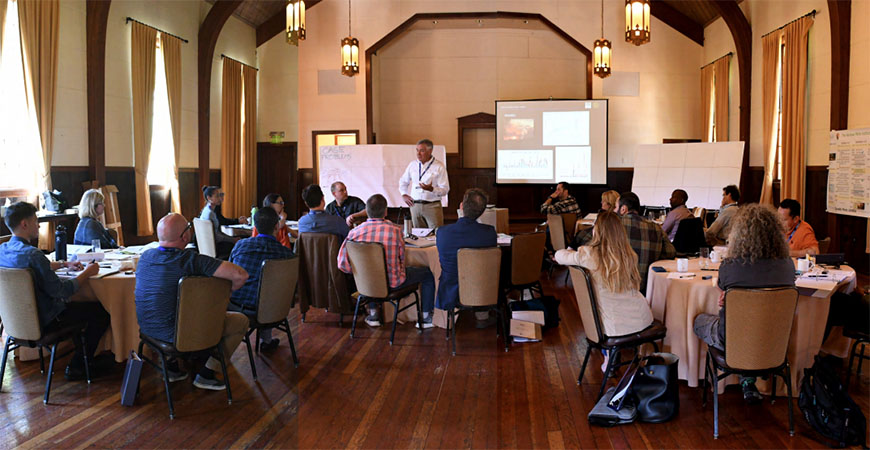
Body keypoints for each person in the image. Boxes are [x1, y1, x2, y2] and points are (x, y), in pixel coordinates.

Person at [693, 203, 795, 404]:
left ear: (740, 234)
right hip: (774, 340)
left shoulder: (731, 266)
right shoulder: (787, 266)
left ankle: (705, 382)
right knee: (748, 327)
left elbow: (723, 289)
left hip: (733, 339)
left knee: (699, 320)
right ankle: (748, 380)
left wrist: (730, 296)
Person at [135, 213, 249, 390]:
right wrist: (226, 294)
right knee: (241, 321)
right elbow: (241, 275)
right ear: (185, 236)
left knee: (169, 306)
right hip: (179, 335)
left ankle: (171, 367)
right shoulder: (190, 260)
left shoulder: (145, 257)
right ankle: (207, 373)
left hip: (148, 330)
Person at [0, 202, 109, 381]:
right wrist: (87, 272)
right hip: (47, 321)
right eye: (36, 221)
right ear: (24, 224)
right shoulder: (34, 255)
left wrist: (64, 264)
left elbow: (31, 268)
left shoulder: (2, 250)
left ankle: (82, 358)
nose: (39, 225)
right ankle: (78, 365)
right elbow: (62, 291)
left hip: (15, 324)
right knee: (100, 312)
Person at [338, 194, 436, 328]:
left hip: (366, 285)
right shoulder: (395, 231)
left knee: (369, 271)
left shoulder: (354, 233)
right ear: (385, 211)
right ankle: (425, 318)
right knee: (427, 274)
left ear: (367, 211)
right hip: (393, 284)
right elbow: (402, 259)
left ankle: (373, 315)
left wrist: (358, 273)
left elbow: (342, 264)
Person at [555, 211, 653, 337]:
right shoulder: (629, 255)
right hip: (642, 318)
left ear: (597, 230)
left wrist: (571, 252)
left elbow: (559, 255)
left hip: (614, 325)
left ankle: (609, 355)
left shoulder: (589, 255)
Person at [575, 192, 675, 294]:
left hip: (616, 287)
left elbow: (581, 237)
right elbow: (670, 252)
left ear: (623, 209)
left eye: (616, 207)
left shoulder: (614, 224)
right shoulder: (656, 228)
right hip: (647, 289)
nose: (614, 210)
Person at [230, 208, 295, 351]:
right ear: (277, 226)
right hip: (274, 311)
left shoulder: (241, 245)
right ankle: (266, 340)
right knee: (268, 290)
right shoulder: (287, 255)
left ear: (255, 226)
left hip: (239, 307)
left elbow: (231, 277)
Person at [435, 188, 498, 328]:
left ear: (461, 207)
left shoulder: (443, 232)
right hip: (481, 289)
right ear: (482, 212)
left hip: (451, 291)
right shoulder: (489, 233)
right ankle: (483, 316)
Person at [399, 139, 449, 228]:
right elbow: (403, 181)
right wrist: (403, 194)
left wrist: (432, 189)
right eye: (417, 150)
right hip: (415, 206)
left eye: (422, 151)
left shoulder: (439, 166)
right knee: (418, 235)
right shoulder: (412, 165)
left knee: (436, 234)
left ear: (430, 151)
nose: (418, 154)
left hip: (432, 206)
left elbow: (445, 190)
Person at [200, 186, 245, 259]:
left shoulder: (208, 210)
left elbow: (217, 231)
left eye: (221, 195)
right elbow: (216, 235)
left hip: (209, 245)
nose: (221, 198)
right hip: (215, 246)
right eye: (217, 196)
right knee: (242, 244)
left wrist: (232, 239)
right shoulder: (210, 214)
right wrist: (232, 240)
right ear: (209, 198)